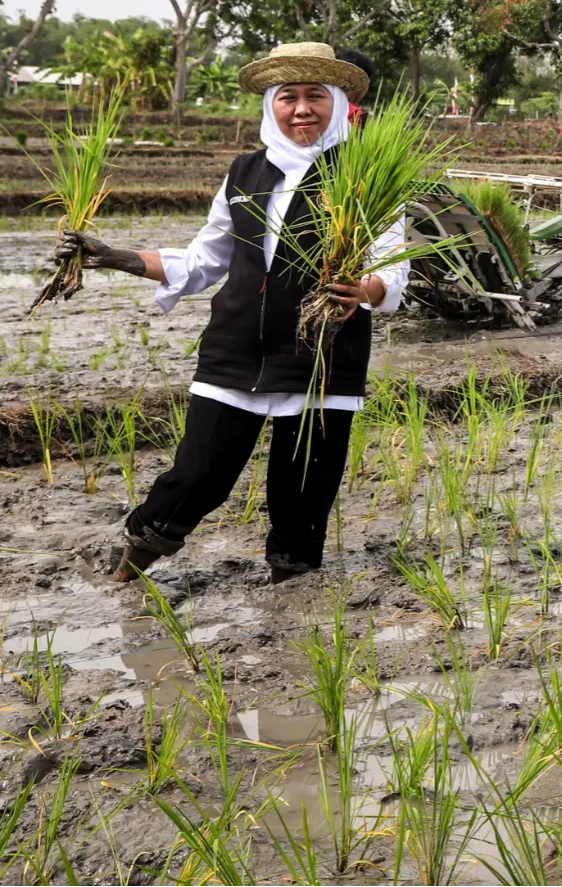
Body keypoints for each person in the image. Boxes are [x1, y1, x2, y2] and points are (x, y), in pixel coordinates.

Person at [55, 43, 408, 583]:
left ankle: (293, 596)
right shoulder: (244, 172)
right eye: (288, 97)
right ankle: (128, 566)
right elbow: (203, 260)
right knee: (196, 477)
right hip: (236, 349)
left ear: (338, 102)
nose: (302, 109)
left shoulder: (368, 174)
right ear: (271, 106)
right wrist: (114, 257)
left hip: (321, 357)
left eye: (315, 95)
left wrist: (363, 289)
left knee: (303, 496)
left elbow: (391, 266)